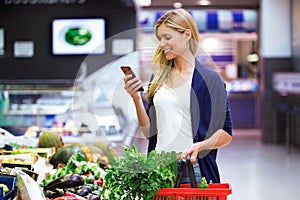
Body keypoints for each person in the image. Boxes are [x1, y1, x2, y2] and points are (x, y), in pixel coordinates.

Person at [123, 8, 232, 184]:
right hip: (158, 170)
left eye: (167, 37)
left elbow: (226, 134)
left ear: (186, 35)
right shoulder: (158, 77)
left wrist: (201, 146)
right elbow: (150, 133)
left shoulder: (210, 80)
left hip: (192, 168)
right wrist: (136, 98)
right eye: (160, 39)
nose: (162, 44)